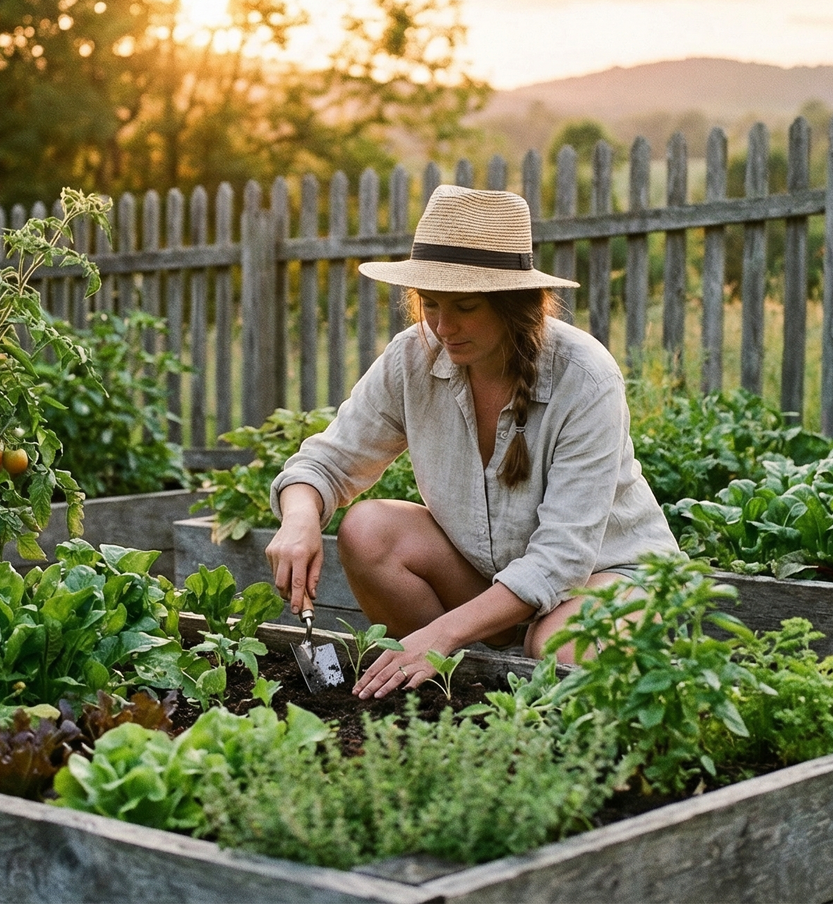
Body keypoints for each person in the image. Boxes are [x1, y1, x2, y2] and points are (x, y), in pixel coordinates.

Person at [265, 185, 681, 700]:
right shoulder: (413, 358)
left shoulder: (584, 377)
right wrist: (300, 518)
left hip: (607, 577)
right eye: (431, 304)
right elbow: (326, 463)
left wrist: (437, 635)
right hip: (490, 584)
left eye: (465, 306)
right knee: (369, 529)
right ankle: (453, 695)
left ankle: (475, 668)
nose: (444, 326)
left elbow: (561, 560)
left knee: (563, 647)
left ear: (516, 305)